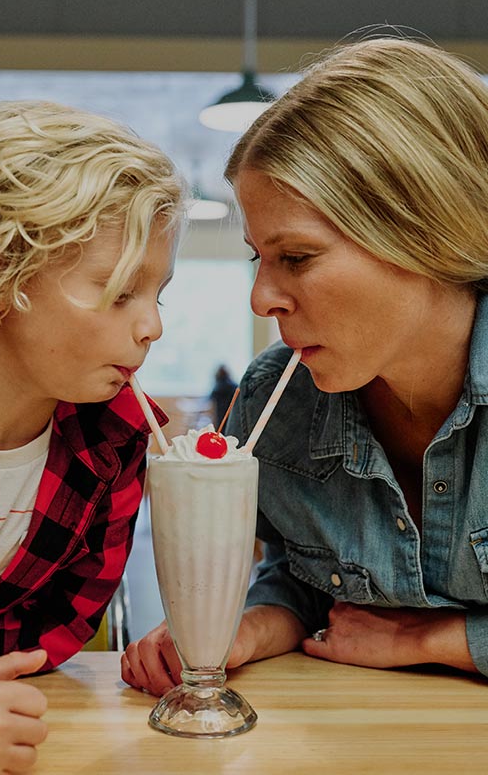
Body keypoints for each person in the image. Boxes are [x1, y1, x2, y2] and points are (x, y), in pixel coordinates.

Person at [121, 34, 488, 698]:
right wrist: (249, 628)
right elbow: (304, 573)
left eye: (296, 257)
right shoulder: (275, 398)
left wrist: (432, 640)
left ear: (425, 231)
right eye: (256, 258)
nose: (263, 297)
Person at [0, 100, 184, 772]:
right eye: (119, 290)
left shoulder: (116, 441)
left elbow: (54, 633)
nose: (152, 325)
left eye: (159, 293)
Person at [209, 363, 238, 429]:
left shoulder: (217, 388)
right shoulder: (235, 386)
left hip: (220, 418)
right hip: (233, 417)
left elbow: (211, 405)